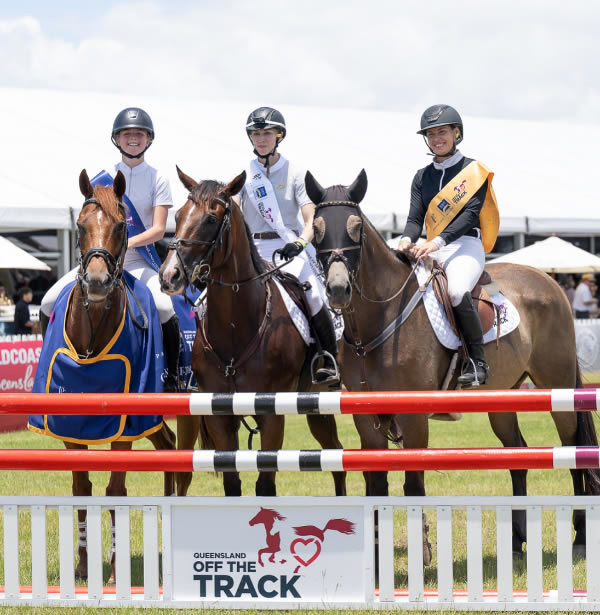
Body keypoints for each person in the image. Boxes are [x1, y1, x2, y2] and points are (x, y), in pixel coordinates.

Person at [40, 107, 181, 390]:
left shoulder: (159, 179)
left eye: (139, 134)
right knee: (47, 302)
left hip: (138, 262)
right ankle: (51, 372)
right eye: (127, 134)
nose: (133, 138)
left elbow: (156, 229)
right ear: (117, 139)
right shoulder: (101, 180)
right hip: (100, 261)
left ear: (148, 139)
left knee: (165, 306)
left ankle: (173, 377)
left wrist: (126, 241)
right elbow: (91, 223)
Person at [397, 104, 500, 387]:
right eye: (430, 134)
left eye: (442, 132)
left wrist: (436, 242)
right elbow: (415, 218)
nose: (436, 138)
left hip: (465, 245)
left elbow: (469, 216)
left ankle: (478, 363)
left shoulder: (473, 171)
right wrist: (406, 240)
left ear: (457, 133)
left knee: (455, 291)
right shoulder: (421, 176)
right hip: (432, 246)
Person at [236, 106, 339, 385]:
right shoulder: (245, 173)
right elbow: (231, 213)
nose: (260, 139)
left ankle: (327, 357)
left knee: (314, 295)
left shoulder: (295, 172)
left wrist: (300, 242)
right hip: (251, 249)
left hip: (288, 246)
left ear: (279, 136)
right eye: (255, 134)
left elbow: (311, 217)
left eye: (266, 133)